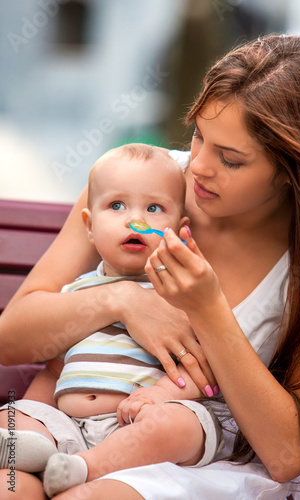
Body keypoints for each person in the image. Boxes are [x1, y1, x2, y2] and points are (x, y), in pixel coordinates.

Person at [1, 33, 300, 500]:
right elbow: (12, 340)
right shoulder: (143, 186)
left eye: (230, 160)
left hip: (200, 462)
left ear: (293, 172)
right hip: (68, 427)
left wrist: (208, 307)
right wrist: (124, 298)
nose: (197, 165)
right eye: (198, 134)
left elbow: (285, 454)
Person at [0, 143, 224, 497]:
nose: (135, 220)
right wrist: (33, 414)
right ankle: (36, 449)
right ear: (89, 225)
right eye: (116, 205)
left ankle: (84, 466)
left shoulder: (181, 291)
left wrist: (158, 395)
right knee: (13, 418)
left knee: (180, 424)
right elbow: (56, 369)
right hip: (68, 426)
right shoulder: (77, 293)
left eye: (154, 208)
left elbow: (201, 365)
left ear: (180, 228)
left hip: (133, 427)